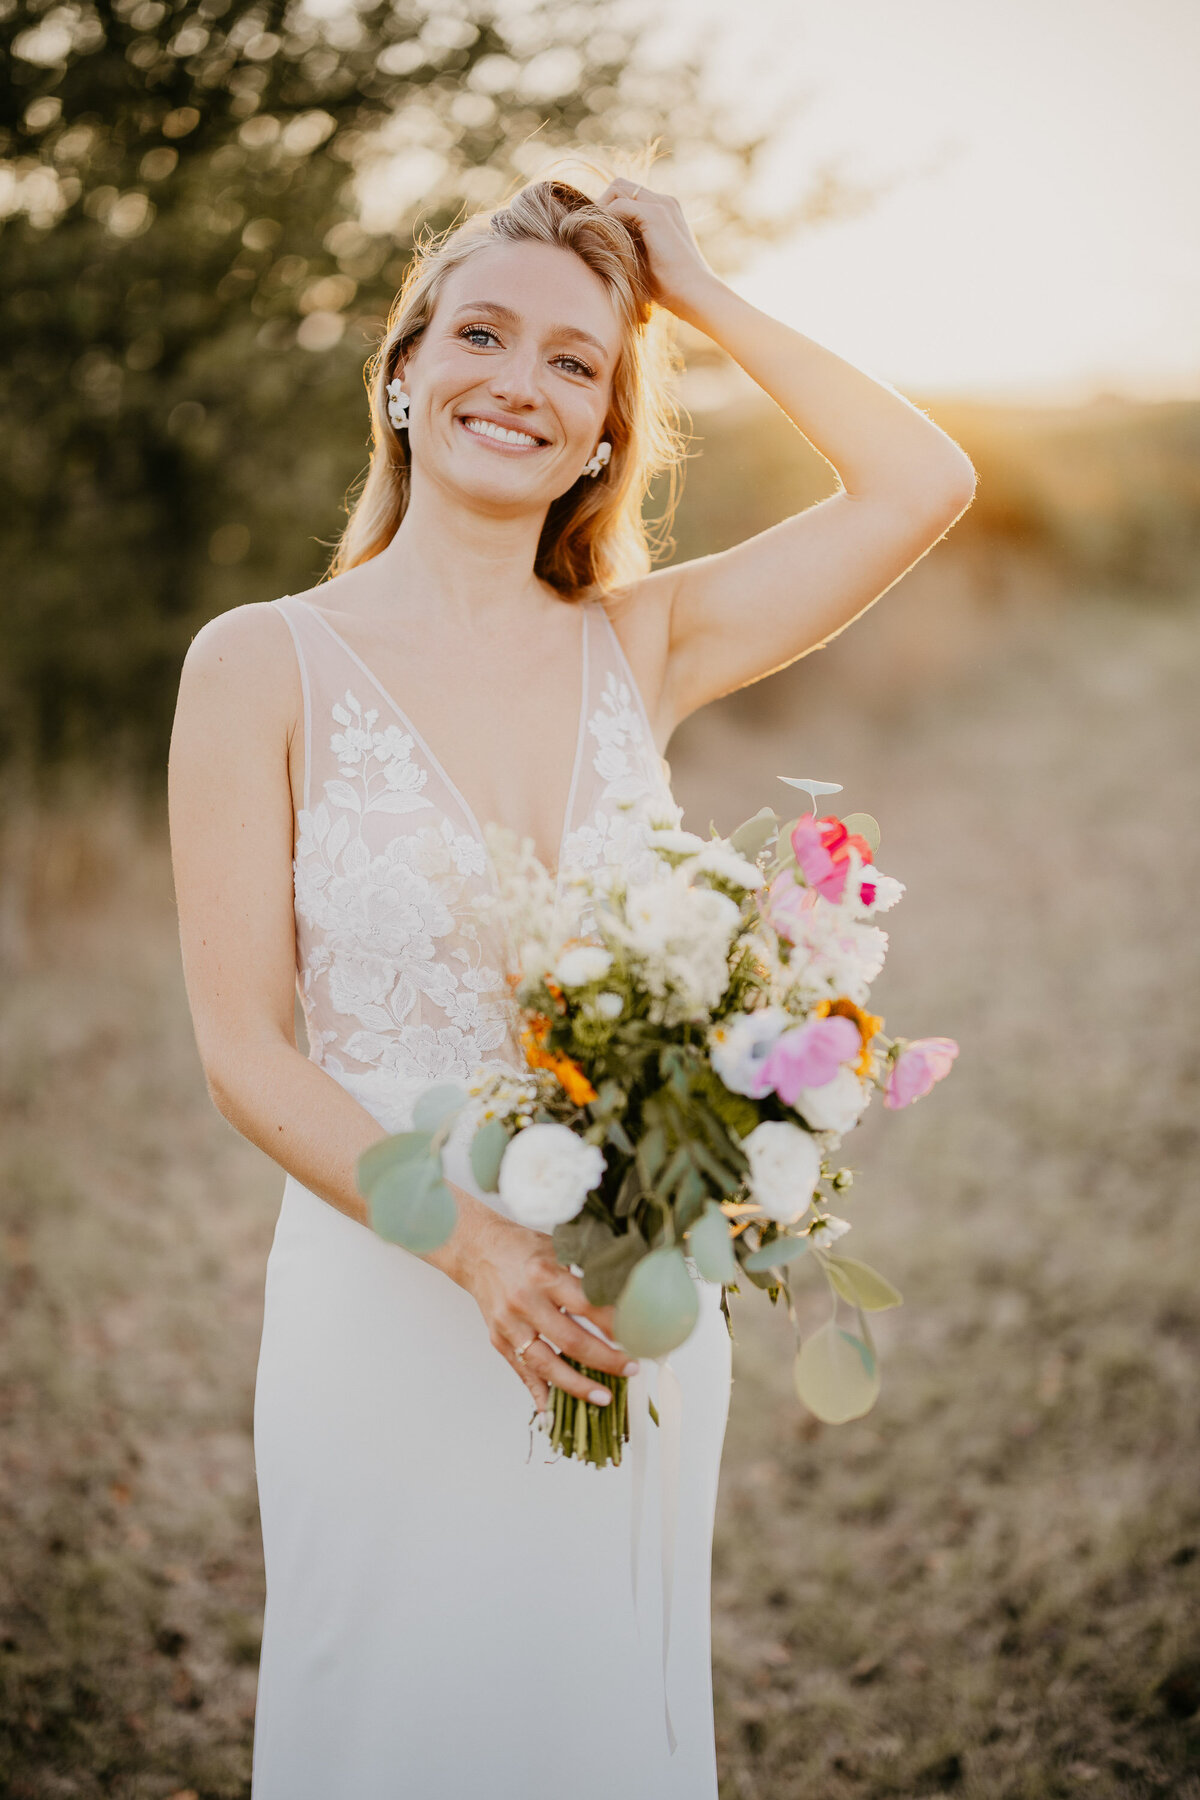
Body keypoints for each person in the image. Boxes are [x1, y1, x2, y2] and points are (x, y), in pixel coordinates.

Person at [167, 168, 975, 1799]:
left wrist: (691, 285)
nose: (517, 385)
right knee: (392, 1707)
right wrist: (471, 1253)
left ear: (611, 423)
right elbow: (243, 1048)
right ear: (401, 371)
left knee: (590, 1716)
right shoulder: (260, 660)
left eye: (572, 362)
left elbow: (921, 479)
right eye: (481, 335)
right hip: (389, 1285)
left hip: (623, 1295)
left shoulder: (641, 644)